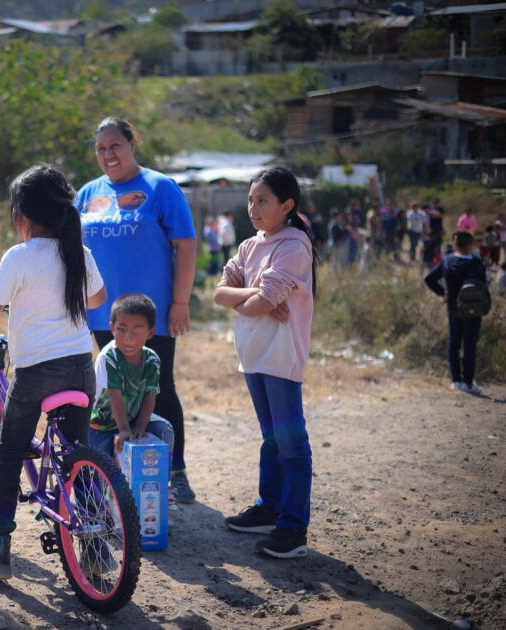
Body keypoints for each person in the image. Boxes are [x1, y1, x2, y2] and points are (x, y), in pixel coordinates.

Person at [0, 164, 107, 581]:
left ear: (21, 214)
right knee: (77, 452)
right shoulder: (79, 253)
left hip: (36, 372)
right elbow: (98, 298)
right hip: (81, 369)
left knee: (9, 452)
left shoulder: (19, 257)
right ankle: (97, 550)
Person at [75, 117, 198, 503]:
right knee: (111, 390)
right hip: (102, 315)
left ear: (132, 143)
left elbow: (186, 244)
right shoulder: (88, 193)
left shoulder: (161, 187)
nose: (108, 154)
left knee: (158, 388)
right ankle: (123, 470)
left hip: (151, 315)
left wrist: (180, 302)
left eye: (115, 145)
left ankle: (175, 471)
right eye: (101, 148)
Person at [213, 167, 315, 559]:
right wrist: (258, 293)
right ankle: (269, 508)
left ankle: (293, 528)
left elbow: (253, 304)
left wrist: (255, 298)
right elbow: (219, 294)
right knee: (271, 437)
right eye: (251, 200)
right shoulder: (248, 246)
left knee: (291, 442)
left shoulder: (294, 246)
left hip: (281, 356)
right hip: (253, 355)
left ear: (287, 206)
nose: (253, 208)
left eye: (263, 201)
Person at [88, 293, 175, 469]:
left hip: (133, 419)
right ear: (112, 328)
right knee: (103, 472)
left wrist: (141, 427)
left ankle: (162, 480)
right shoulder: (109, 357)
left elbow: (150, 395)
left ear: (150, 332)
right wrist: (124, 430)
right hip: (102, 426)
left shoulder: (151, 360)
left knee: (164, 430)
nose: (128, 337)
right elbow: (115, 396)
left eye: (137, 330)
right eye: (121, 329)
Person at [425, 231, 488, 395]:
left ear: (455, 244)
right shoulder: (476, 261)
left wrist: (443, 293)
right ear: (470, 244)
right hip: (473, 309)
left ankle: (456, 381)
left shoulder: (447, 261)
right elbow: (484, 283)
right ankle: (469, 382)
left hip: (453, 307)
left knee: (454, 344)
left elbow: (429, 279)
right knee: (470, 345)